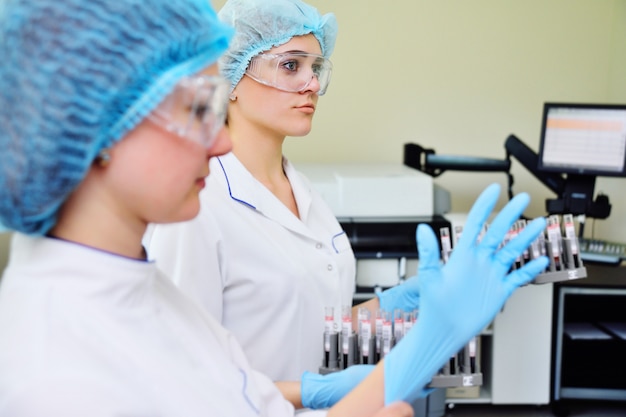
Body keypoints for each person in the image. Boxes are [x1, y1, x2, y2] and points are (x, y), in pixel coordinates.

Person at [0, 0, 550, 415]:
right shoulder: (55, 367)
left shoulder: (136, 290)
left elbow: (237, 391)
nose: (217, 142)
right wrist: (432, 340)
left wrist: (361, 359)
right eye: (195, 109)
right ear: (98, 128)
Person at [143, 0, 424, 392]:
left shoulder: (305, 194)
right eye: (291, 65)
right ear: (233, 80)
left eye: (316, 69)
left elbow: (314, 322)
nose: (311, 84)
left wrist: (403, 305)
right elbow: (181, 375)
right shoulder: (196, 207)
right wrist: (309, 392)